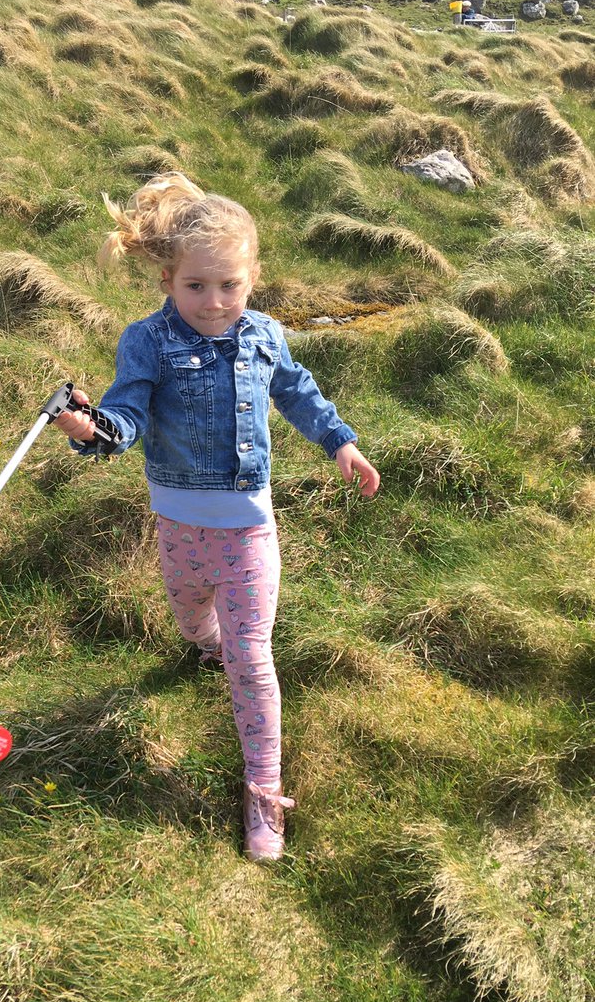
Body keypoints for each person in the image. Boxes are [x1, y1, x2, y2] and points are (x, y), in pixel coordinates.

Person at [55, 173, 380, 863]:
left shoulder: (266, 335)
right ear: (169, 280)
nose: (214, 301)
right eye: (197, 286)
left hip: (247, 530)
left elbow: (298, 392)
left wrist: (340, 443)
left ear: (253, 278)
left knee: (251, 657)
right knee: (190, 619)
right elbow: (128, 411)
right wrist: (96, 431)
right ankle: (206, 644)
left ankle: (264, 790)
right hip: (177, 527)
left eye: (229, 285)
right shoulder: (146, 341)